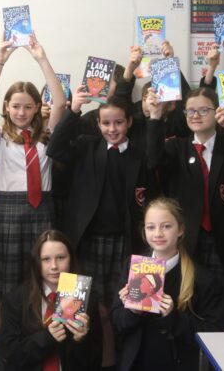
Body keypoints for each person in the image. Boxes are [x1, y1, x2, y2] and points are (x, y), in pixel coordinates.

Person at [47, 90, 157, 368]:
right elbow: (55, 148)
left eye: (118, 122)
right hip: (84, 241)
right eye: (106, 123)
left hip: (124, 243)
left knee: (121, 308)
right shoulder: (86, 146)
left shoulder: (139, 156)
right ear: (98, 124)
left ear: (129, 122)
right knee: (76, 308)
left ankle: (115, 363)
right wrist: (73, 111)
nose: (112, 129)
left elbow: (149, 196)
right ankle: (75, 363)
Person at [146, 86, 224, 311]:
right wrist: (155, 117)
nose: (195, 116)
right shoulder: (177, 147)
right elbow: (153, 159)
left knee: (221, 308)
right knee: (185, 306)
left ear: (217, 112)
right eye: (190, 111)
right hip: (185, 243)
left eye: (203, 110)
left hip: (223, 244)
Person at [0, 33, 66, 296]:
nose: (21, 112)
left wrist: (41, 58)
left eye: (28, 107)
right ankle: (9, 337)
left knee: (45, 284)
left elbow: (61, 103)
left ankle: (43, 333)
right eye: (15, 106)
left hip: (44, 211)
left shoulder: (47, 137)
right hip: (10, 214)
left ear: (37, 107)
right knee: (10, 290)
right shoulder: (0, 138)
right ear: (6, 107)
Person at [113, 198, 224, 371]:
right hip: (137, 364)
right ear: (144, 232)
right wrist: (132, 311)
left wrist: (173, 318)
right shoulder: (131, 267)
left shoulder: (203, 279)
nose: (158, 233)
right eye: (151, 227)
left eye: (166, 226)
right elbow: (117, 322)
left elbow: (214, 334)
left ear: (180, 230)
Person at [0, 229, 101, 371]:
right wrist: (46, 338)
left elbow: (95, 361)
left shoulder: (86, 298)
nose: (54, 266)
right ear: (36, 262)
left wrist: (80, 340)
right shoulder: (14, 300)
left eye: (60, 257)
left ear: (71, 258)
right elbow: (9, 355)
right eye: (46, 259)